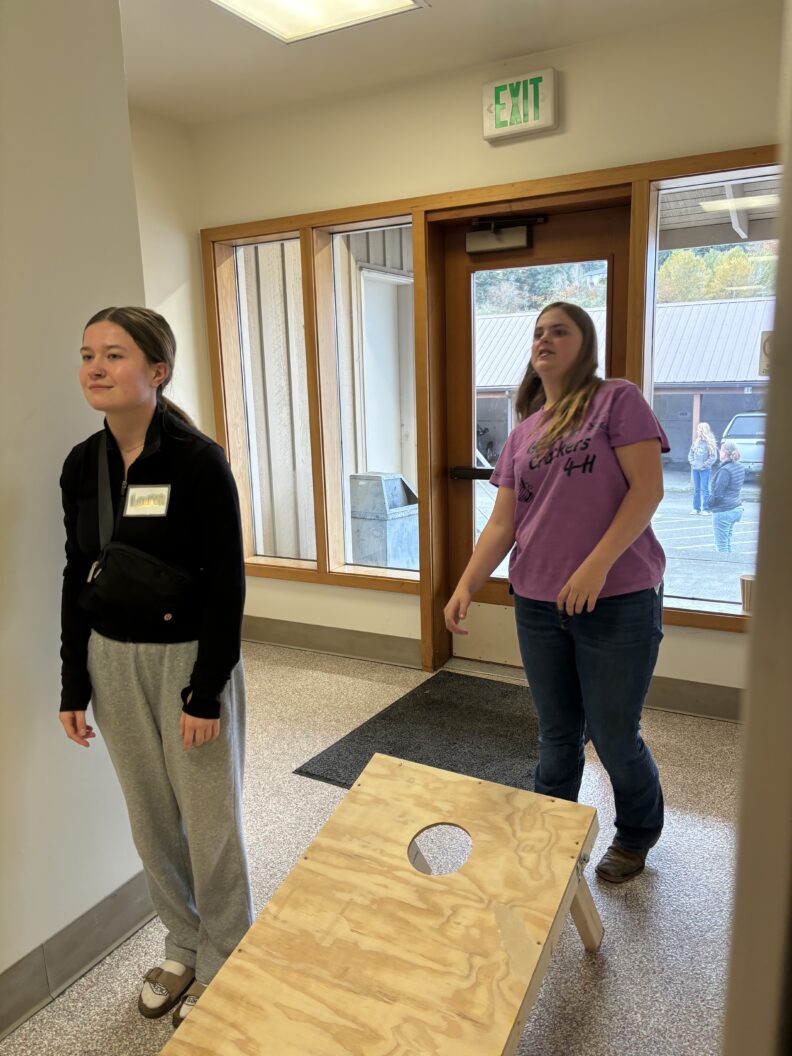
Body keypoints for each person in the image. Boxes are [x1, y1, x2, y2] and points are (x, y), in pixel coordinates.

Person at [59, 307, 253, 1028]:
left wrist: (206, 693)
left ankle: (227, 953)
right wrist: (73, 682)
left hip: (187, 662)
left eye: (114, 355)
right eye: (88, 355)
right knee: (149, 819)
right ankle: (182, 943)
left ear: (158, 371)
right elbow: (77, 574)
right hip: (111, 660)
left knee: (209, 818)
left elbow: (227, 583)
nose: (96, 368)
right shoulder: (82, 465)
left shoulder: (197, 461)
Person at [444, 302, 668, 884]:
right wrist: (466, 584)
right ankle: (549, 832)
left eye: (559, 331)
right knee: (557, 732)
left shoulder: (617, 400)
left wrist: (596, 566)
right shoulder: (524, 432)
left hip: (617, 599)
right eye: (538, 332)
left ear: (584, 344)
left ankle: (637, 834)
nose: (544, 339)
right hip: (539, 604)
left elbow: (647, 490)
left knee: (614, 734)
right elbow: (503, 523)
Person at [709, 439, 745, 553]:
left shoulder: (725, 470)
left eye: (721, 450)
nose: (719, 452)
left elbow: (718, 494)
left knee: (721, 547)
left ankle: (723, 564)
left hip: (724, 510)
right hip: (736, 507)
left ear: (725, 453)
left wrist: (710, 504)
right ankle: (729, 562)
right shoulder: (739, 466)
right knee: (727, 542)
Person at [687, 421, 717, 514]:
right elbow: (690, 454)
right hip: (695, 469)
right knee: (696, 489)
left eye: (698, 430)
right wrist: (693, 463)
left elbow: (713, 457)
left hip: (705, 470)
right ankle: (696, 508)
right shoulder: (696, 442)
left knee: (705, 489)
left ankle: (706, 509)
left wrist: (705, 464)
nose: (697, 431)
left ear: (703, 431)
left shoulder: (710, 443)